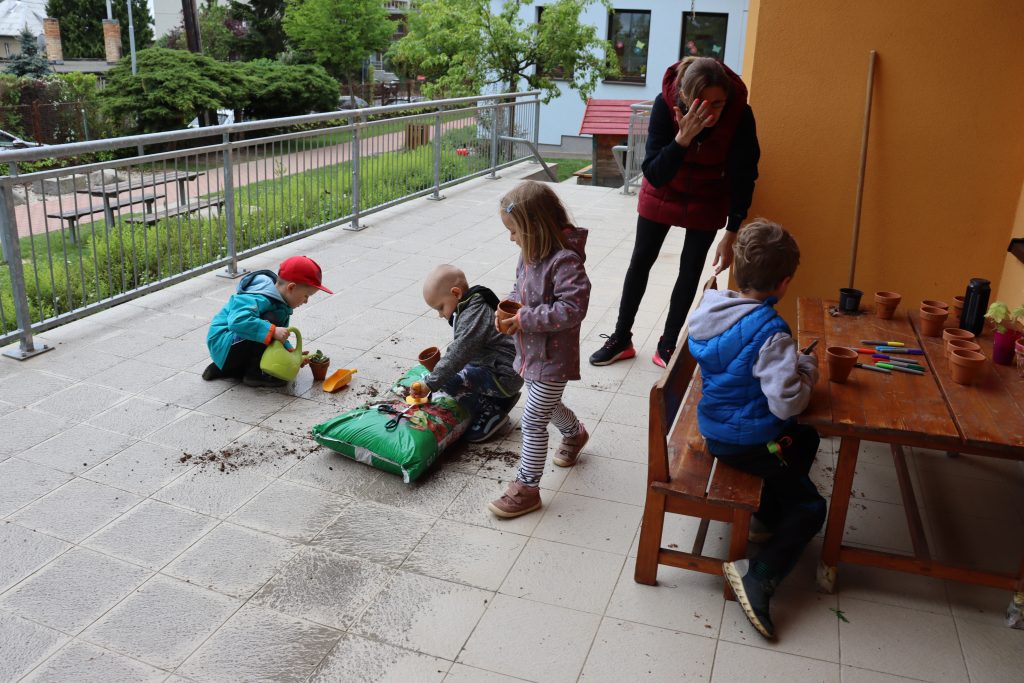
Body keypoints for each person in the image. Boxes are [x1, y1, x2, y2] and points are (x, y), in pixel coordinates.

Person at [687, 219, 824, 640]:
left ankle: (766, 516)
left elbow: (744, 369)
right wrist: (807, 370)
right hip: (747, 441)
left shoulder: (712, 309)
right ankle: (758, 575)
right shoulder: (771, 331)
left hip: (717, 425)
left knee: (807, 438)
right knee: (811, 508)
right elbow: (788, 402)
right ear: (783, 283)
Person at [590, 56, 760, 368]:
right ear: (683, 96)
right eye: (702, 104)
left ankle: (668, 343)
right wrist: (683, 138)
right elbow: (654, 173)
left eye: (718, 104)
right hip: (663, 188)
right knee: (641, 262)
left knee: (691, 269)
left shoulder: (739, 115)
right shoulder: (664, 105)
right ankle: (621, 337)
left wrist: (732, 231)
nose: (711, 113)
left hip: (709, 195)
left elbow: (745, 174)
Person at [488, 181, 591, 519]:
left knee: (533, 419)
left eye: (514, 230)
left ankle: (527, 488)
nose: (511, 238)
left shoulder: (566, 262)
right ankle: (574, 433)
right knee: (546, 403)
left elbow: (572, 308)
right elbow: (518, 289)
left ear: (536, 227)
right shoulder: (529, 255)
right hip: (530, 353)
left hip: (553, 357)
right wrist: (507, 309)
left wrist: (524, 318)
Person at [410, 264, 523, 442]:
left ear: (456, 293)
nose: (440, 314)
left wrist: (430, 383)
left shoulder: (473, 315)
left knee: (448, 380)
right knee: (452, 371)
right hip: (505, 368)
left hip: (504, 374)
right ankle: (500, 400)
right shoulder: (472, 304)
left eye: (440, 307)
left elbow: (458, 353)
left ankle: (490, 414)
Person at [203, 255, 333, 388]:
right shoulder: (258, 296)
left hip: (233, 348)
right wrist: (273, 330)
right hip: (223, 345)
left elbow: (278, 338)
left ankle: (230, 369)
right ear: (291, 287)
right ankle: (254, 374)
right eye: (306, 296)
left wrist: (292, 352)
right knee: (269, 321)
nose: (306, 301)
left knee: (270, 328)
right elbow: (237, 321)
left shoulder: (282, 304)